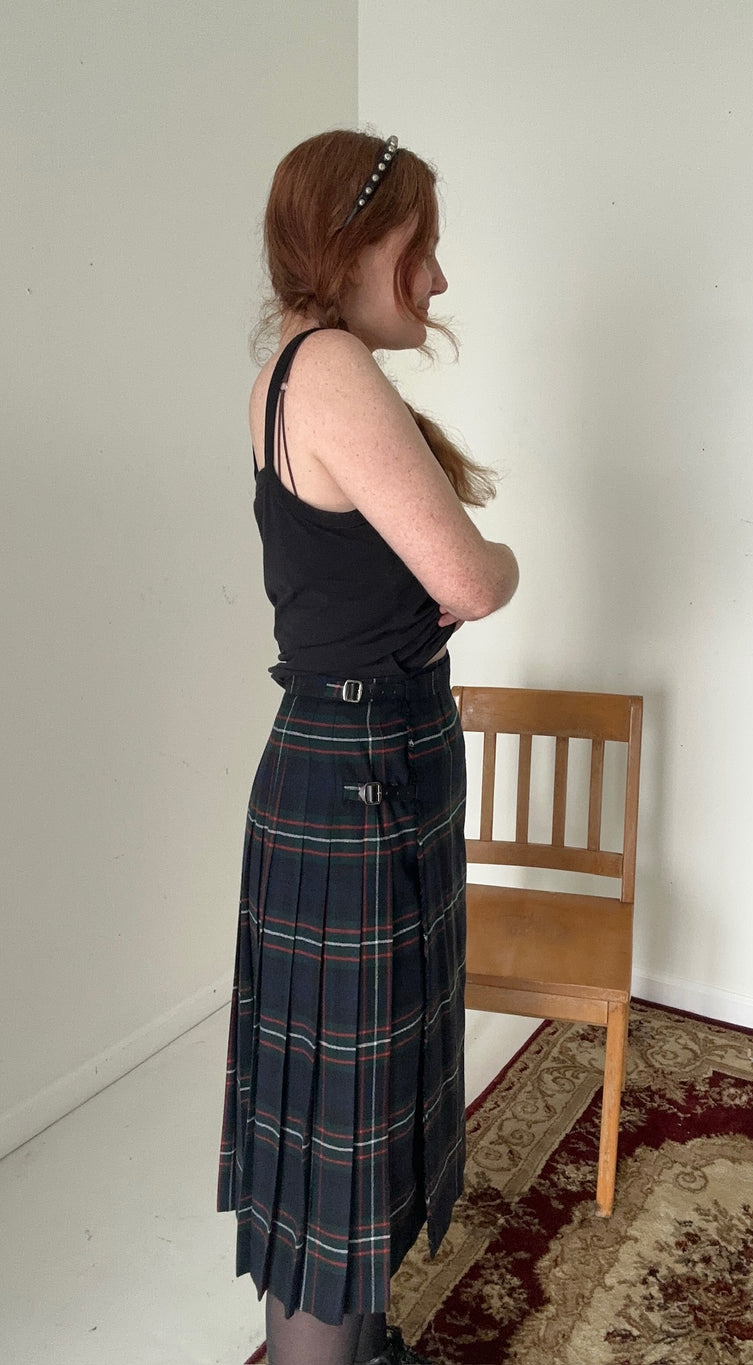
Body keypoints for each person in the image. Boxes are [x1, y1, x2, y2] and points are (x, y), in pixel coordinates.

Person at [217, 130, 519, 1365]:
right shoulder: (333, 366)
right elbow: (470, 578)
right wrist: (495, 564)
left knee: (342, 1104)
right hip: (361, 776)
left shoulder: (289, 366)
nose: (436, 280)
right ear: (354, 249)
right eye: (421, 249)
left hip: (351, 764)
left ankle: (352, 1346)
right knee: (339, 1114)